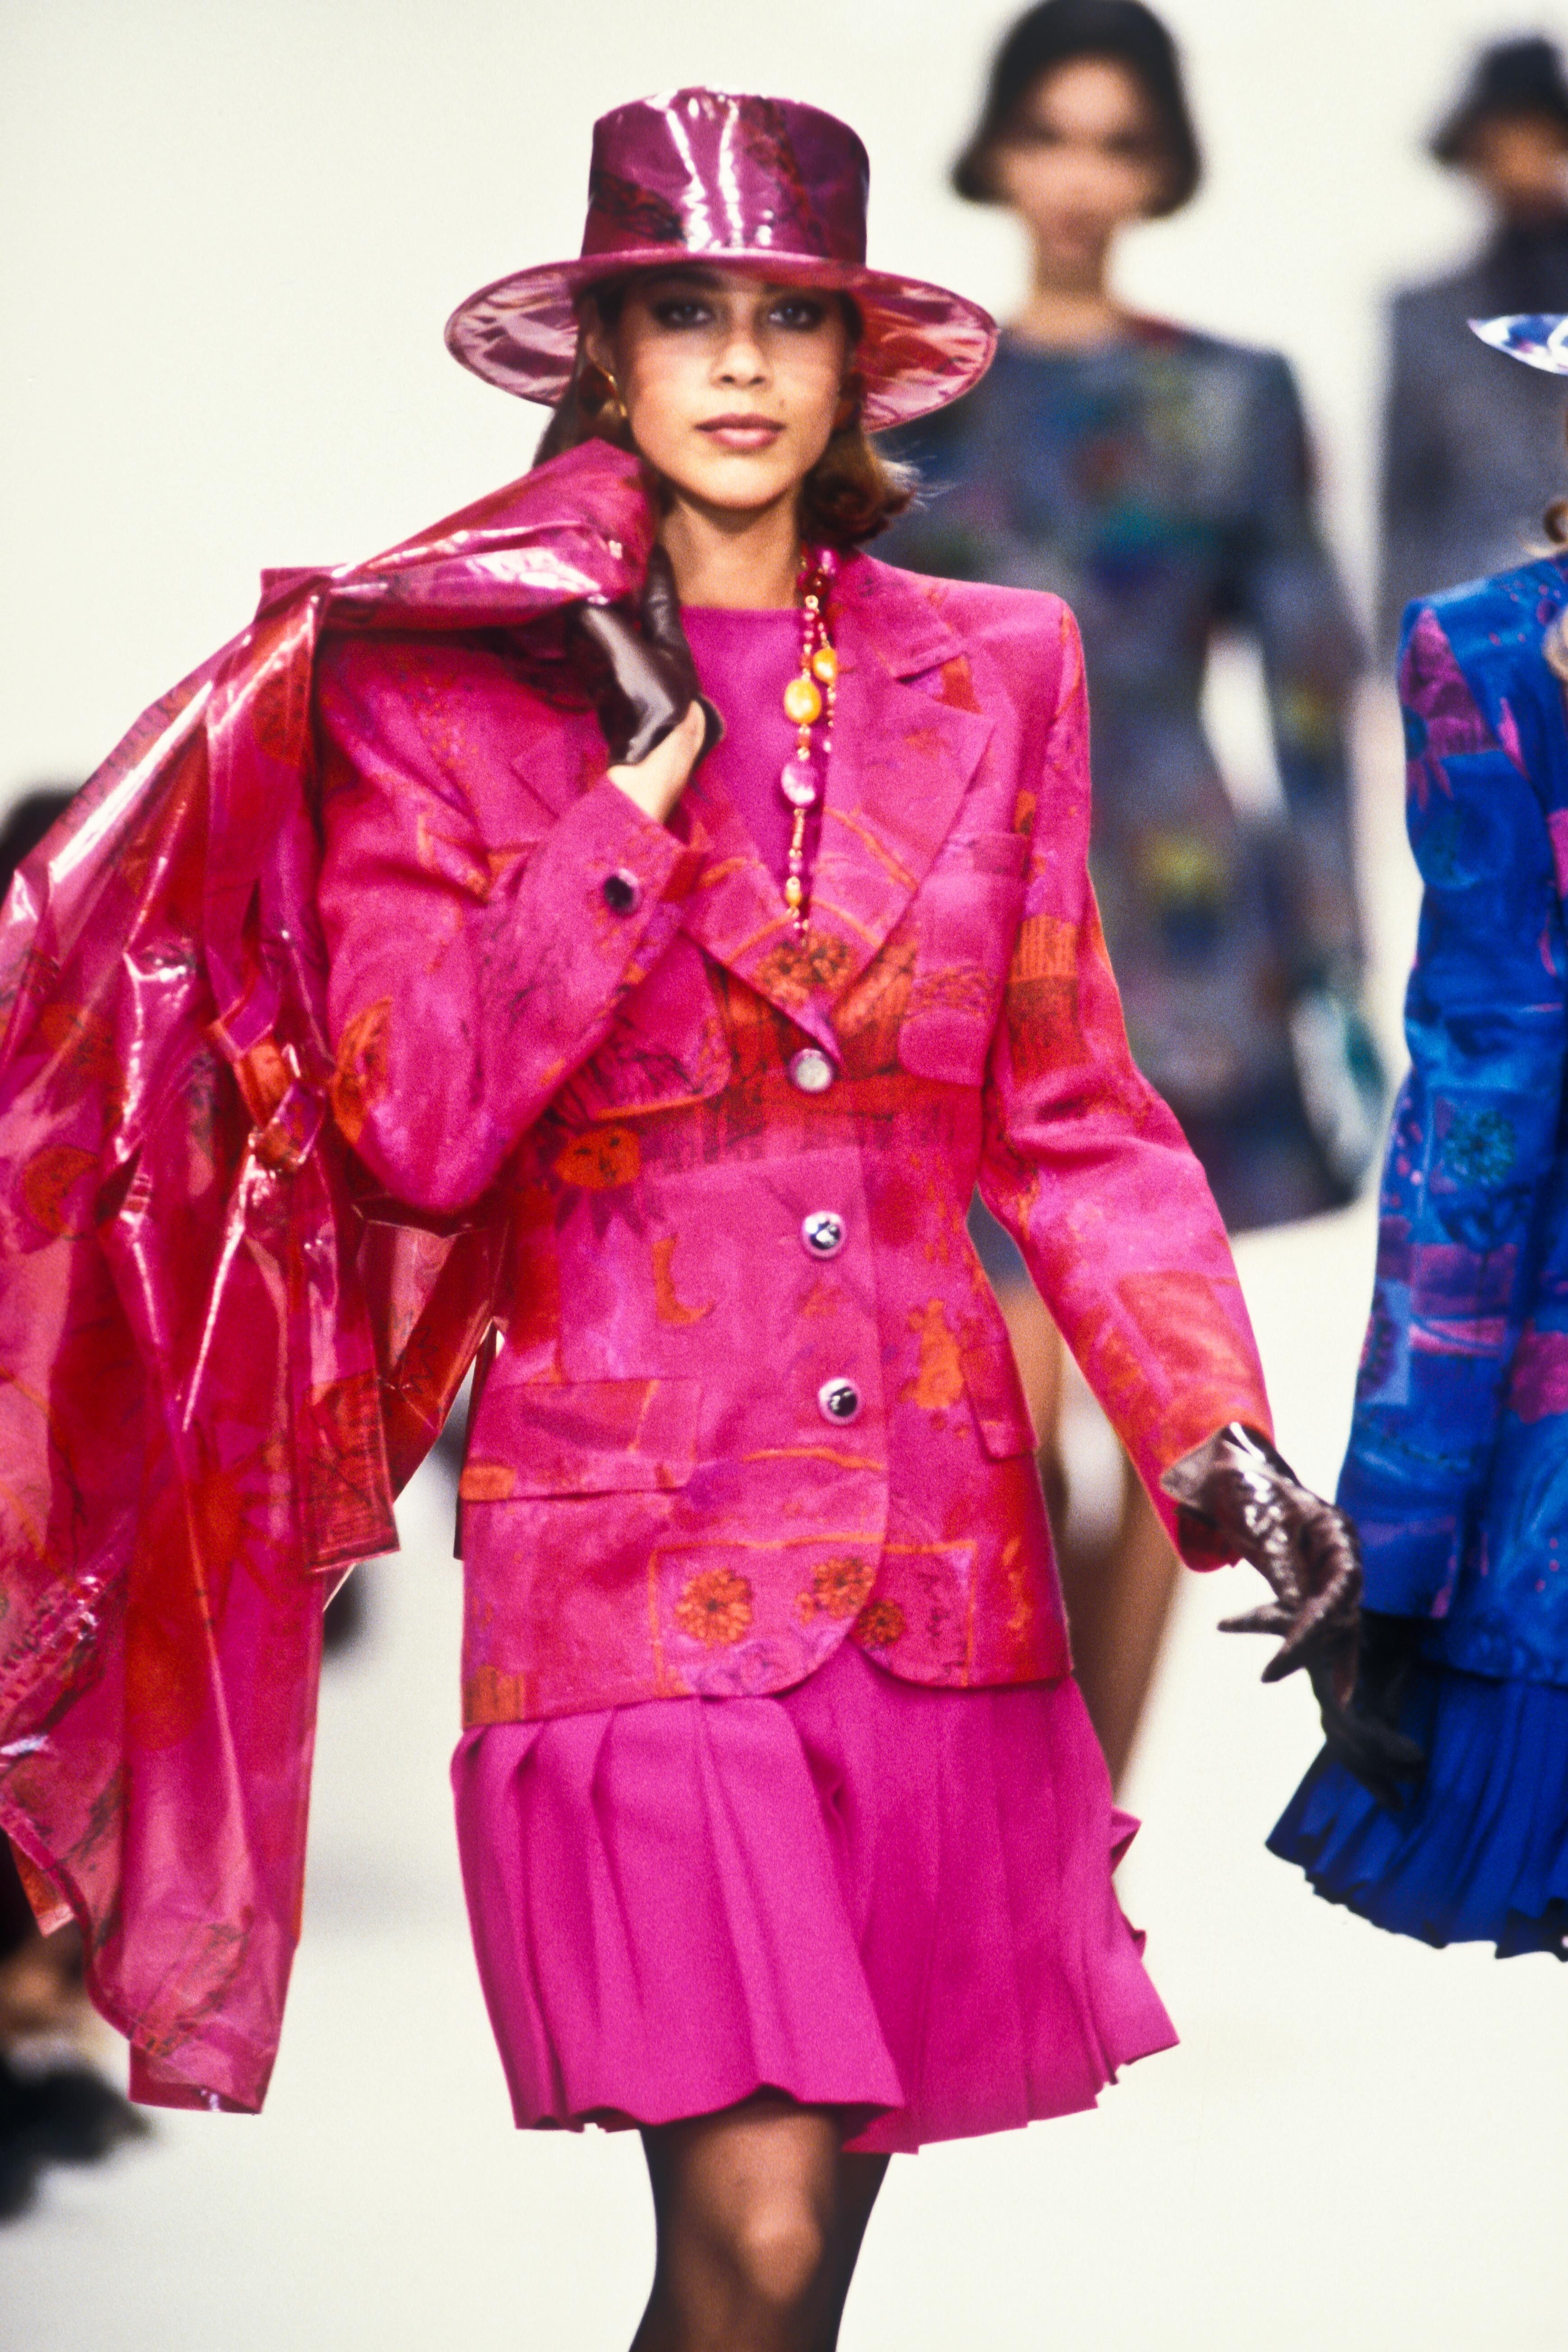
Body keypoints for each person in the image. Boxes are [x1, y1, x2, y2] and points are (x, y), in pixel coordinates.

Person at [0, 89, 1390, 2352]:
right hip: (626, 1572)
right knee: (745, 2238)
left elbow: (1071, 1116)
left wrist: (1210, 1434)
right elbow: (415, 1124)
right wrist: (625, 790)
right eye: (684, 312)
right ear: (608, 357)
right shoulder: (445, 702)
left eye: (787, 316)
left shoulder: (999, 667)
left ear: (853, 364)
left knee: (786, 2282)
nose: (738, 359)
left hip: (935, 1575)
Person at [880, 0, 1378, 1785]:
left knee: (1168, 1414)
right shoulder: (916, 396)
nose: (1076, 176)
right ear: (997, 153)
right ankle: (1032, 1800)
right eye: (1047, 134)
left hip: (1172, 930)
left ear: (1156, 164)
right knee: (997, 1414)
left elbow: (1309, 693)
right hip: (950, 915)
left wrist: (1334, 963)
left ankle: (1085, 1821)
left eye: (1111, 140)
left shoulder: (1231, 399)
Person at [1270, 308, 1568, 1951]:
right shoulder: (1497, 661)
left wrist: (1386, 1548)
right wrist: (1386, 1542)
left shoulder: (1508, 659)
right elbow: (1478, 1108)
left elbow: (1481, 1105)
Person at [1380, 37, 1568, 656]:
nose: (1520, 164)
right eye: (1499, 146)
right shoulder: (1426, 319)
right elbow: (1406, 511)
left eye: (1539, 140)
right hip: (1480, 649)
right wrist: (1403, 661)